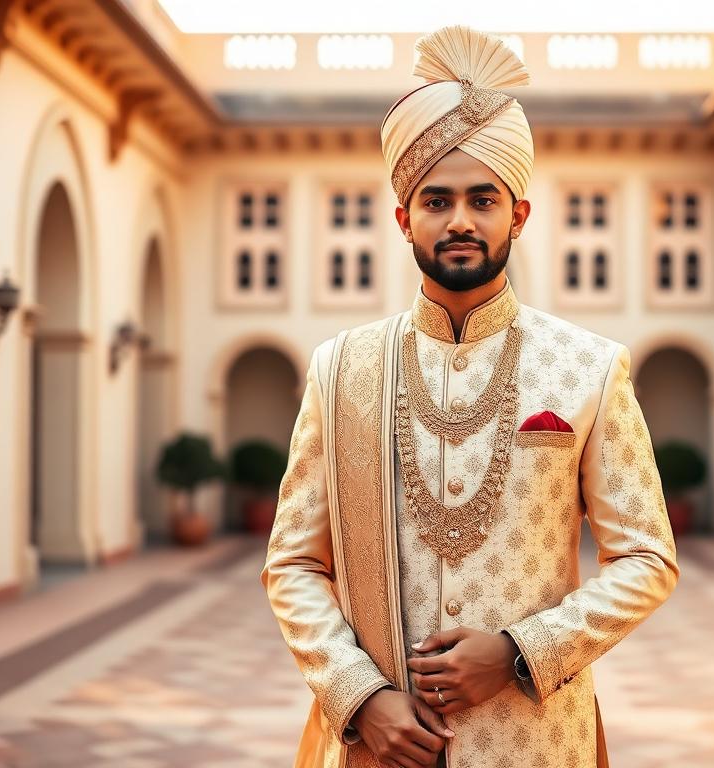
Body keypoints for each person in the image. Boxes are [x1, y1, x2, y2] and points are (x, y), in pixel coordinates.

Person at [260, 25, 679, 768]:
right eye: (437, 200)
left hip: (535, 741)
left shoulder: (588, 367)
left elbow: (647, 558)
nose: (460, 220)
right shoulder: (341, 370)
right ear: (403, 219)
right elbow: (292, 563)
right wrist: (358, 697)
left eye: (483, 199)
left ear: (517, 214)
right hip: (377, 746)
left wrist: (522, 651)